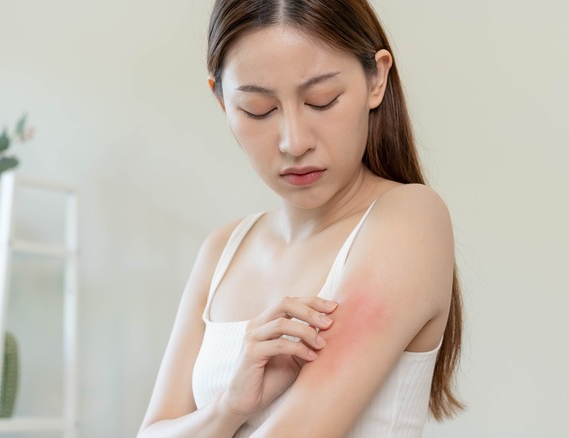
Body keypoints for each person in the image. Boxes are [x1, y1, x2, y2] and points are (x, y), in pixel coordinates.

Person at [138, 0, 464, 436]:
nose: (294, 141)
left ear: (377, 78)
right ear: (221, 100)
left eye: (321, 101)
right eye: (259, 109)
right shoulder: (222, 250)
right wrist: (228, 409)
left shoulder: (409, 220)